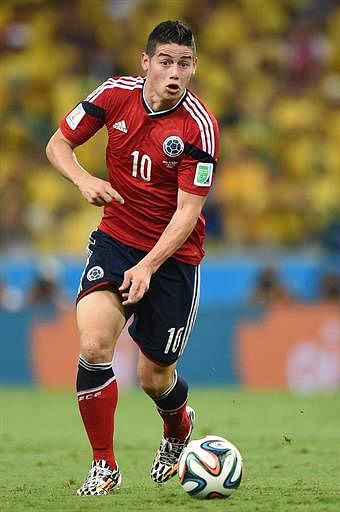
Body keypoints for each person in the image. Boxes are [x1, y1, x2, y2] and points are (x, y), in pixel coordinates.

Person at [46, 20, 219, 497]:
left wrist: (148, 267)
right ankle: (104, 465)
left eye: (184, 64)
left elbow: (188, 212)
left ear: (194, 68)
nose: (174, 73)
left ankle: (178, 426)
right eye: (165, 62)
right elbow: (57, 144)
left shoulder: (199, 127)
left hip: (173, 256)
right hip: (116, 238)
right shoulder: (114, 94)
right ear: (146, 63)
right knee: (96, 343)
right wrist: (83, 179)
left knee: (154, 375)